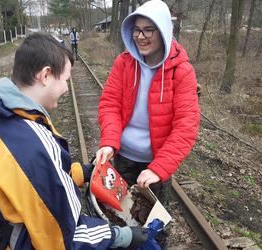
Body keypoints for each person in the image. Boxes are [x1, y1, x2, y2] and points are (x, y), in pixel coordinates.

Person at [0, 33, 148, 250]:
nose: (67, 89)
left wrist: (83, 173)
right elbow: (63, 237)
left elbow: (28, 184)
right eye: (66, 80)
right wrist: (121, 236)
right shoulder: (30, 143)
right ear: (46, 75)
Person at [96, 0, 200, 246]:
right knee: (119, 217)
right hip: (123, 157)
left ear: (163, 31)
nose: (140, 37)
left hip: (156, 165)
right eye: (136, 30)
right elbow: (110, 104)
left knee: (156, 225)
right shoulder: (124, 63)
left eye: (148, 30)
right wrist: (110, 142)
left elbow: (186, 126)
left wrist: (158, 168)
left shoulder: (181, 71)